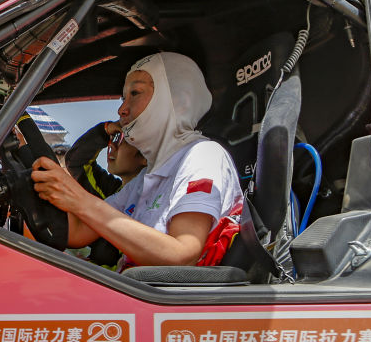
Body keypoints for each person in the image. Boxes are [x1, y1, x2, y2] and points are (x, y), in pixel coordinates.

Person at [31, 52, 242, 268]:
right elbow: (76, 232)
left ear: (180, 101)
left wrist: (80, 200)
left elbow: (182, 254)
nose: (121, 110)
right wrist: (29, 190)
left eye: (135, 93)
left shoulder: (202, 154)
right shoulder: (143, 179)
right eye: (124, 98)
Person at [64, 121, 147, 266]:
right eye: (113, 138)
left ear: (145, 156)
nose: (111, 146)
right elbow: (76, 162)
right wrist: (105, 130)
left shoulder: (152, 203)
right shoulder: (112, 192)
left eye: (122, 140)